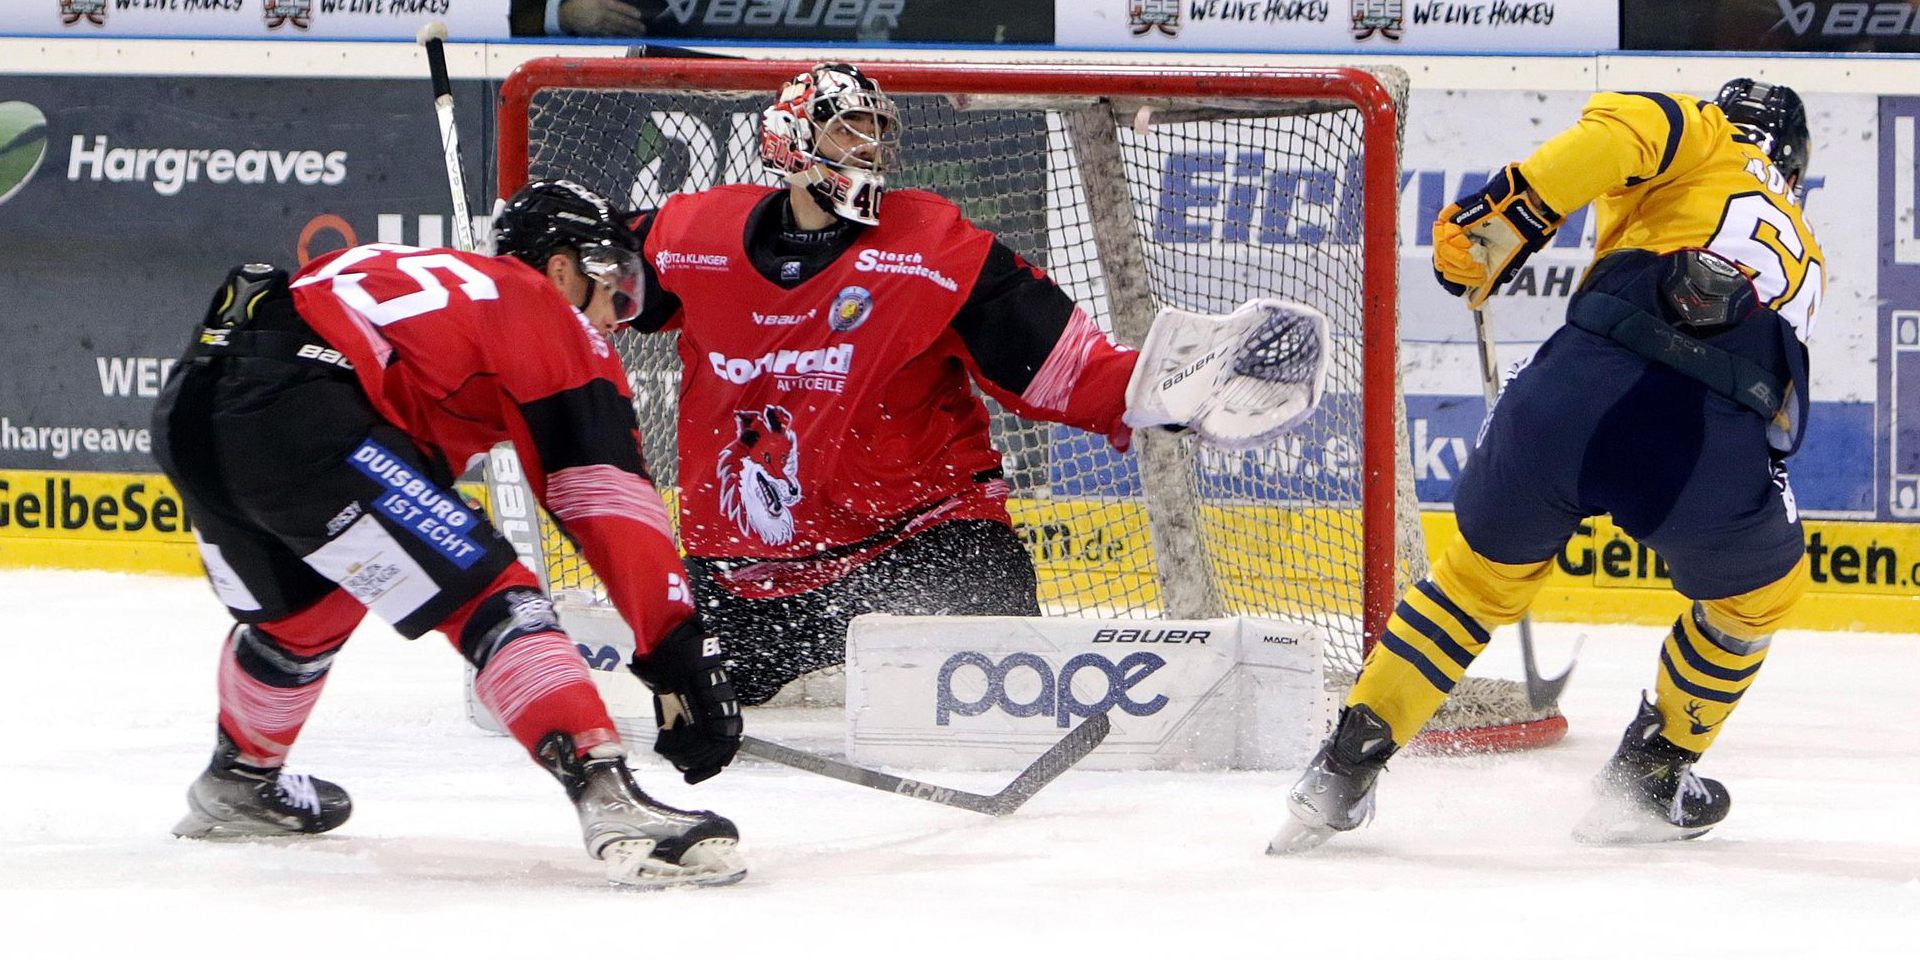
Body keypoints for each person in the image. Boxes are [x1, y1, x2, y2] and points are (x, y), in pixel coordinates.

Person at [1271, 78, 1822, 851]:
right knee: (1757, 599)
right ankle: (1652, 774)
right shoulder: (1805, 252)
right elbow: (1781, 421)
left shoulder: (1696, 129)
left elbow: (1617, 135)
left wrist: (1500, 225)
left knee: (1470, 585)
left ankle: (1339, 770)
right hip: (1704, 439)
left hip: (1574, 387)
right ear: (1795, 162)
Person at [152, 179, 746, 888]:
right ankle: (610, 800)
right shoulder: (543, 311)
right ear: (559, 268)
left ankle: (239, 781)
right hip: (301, 419)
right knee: (496, 601)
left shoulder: (413, 272)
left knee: (309, 613)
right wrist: (676, 650)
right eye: (608, 280)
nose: (614, 313)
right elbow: (602, 494)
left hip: (193, 404)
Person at [615, 63, 1205, 705]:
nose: (868, 149)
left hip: (921, 545)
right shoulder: (692, 237)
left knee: (993, 690)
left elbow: (1062, 364)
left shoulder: (932, 249)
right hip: (750, 575)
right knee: (689, 714)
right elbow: (586, 272)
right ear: (790, 139)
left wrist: (1162, 393)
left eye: (876, 131)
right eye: (848, 131)